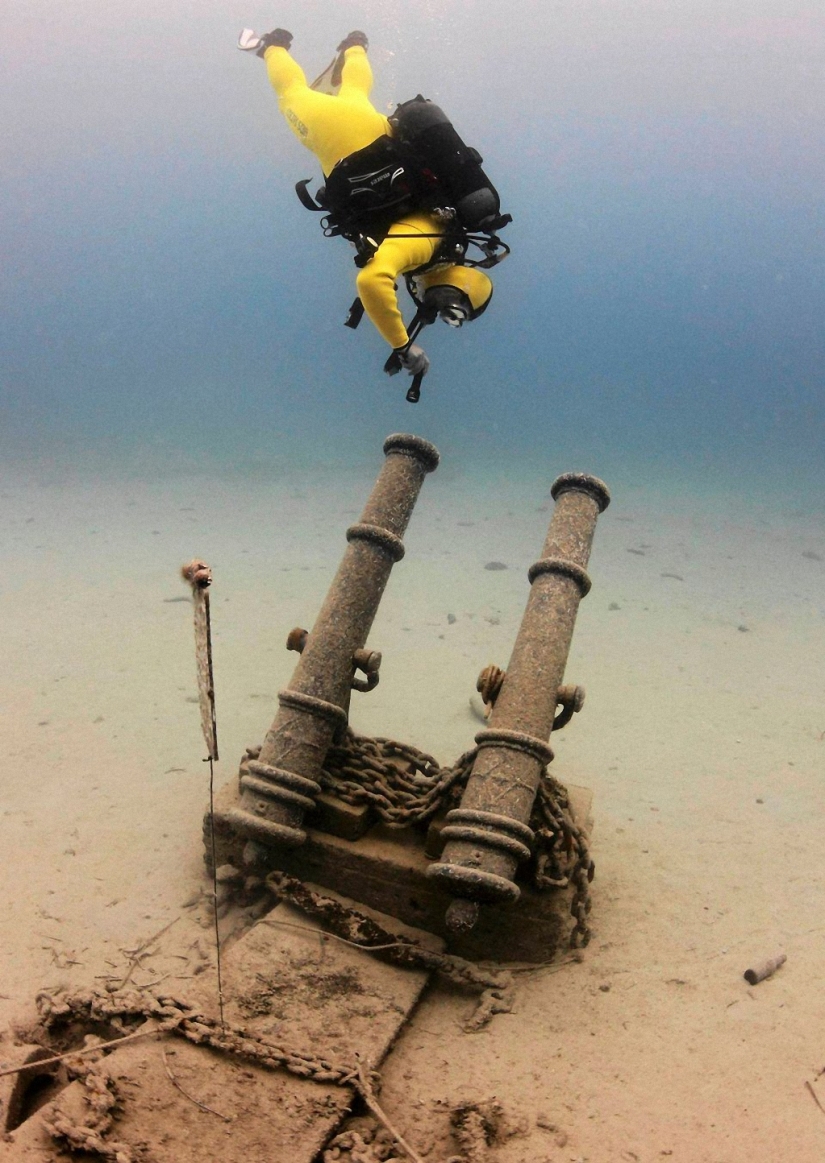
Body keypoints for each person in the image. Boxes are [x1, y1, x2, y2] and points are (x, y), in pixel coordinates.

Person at [243, 28, 499, 389]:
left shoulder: (445, 227)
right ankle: (271, 46)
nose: (440, 315)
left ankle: (355, 48)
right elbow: (372, 280)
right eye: (451, 314)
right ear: (457, 289)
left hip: (374, 132)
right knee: (291, 94)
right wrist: (403, 346)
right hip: (337, 138)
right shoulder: (425, 244)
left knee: (355, 93)